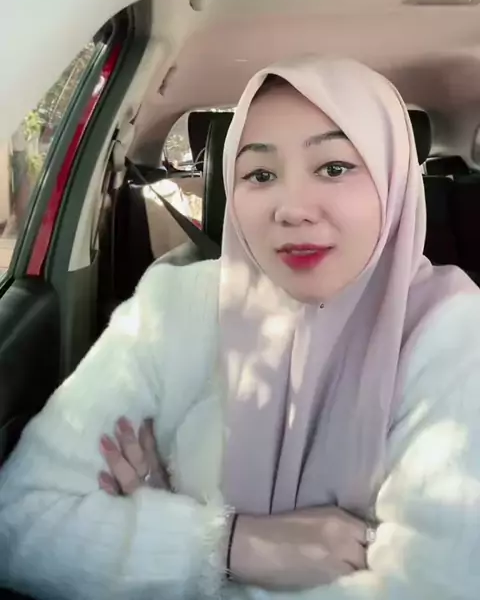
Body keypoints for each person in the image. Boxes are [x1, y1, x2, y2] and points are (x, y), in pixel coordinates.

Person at [0, 55, 479, 600]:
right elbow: (18, 523)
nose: (292, 209)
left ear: (394, 180)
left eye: (334, 167)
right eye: (260, 175)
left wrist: (148, 523)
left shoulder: (453, 334)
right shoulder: (173, 308)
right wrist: (223, 544)